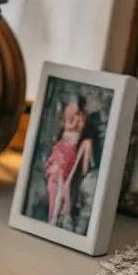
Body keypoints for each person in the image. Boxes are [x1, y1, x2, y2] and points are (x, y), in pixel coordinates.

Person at [45, 97, 94, 228]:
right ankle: (54, 216)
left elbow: (78, 132)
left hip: (68, 155)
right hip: (61, 153)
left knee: (62, 182)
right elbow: (68, 128)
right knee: (56, 182)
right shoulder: (68, 125)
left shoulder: (80, 126)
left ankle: (57, 216)